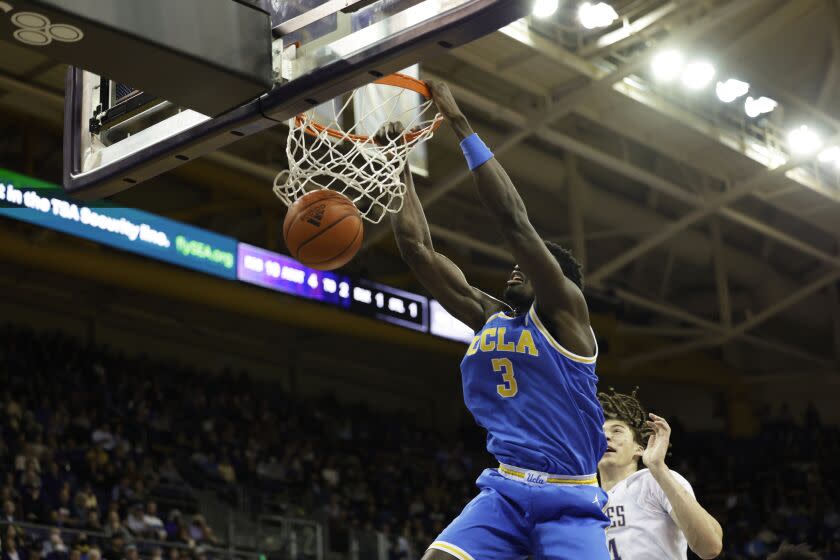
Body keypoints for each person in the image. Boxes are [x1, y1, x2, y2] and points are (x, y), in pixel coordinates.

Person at [383, 80, 609, 560]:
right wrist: (395, 163)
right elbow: (417, 251)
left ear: (556, 280)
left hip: (568, 497)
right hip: (504, 491)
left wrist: (459, 122)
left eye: (529, 265)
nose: (515, 267)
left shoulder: (568, 320)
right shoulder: (490, 318)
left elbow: (514, 223)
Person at [597, 389, 722, 559]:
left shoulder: (652, 480)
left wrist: (658, 468)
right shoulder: (586, 498)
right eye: (600, 433)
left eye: (617, 431)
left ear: (639, 449)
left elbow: (710, 547)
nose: (606, 437)